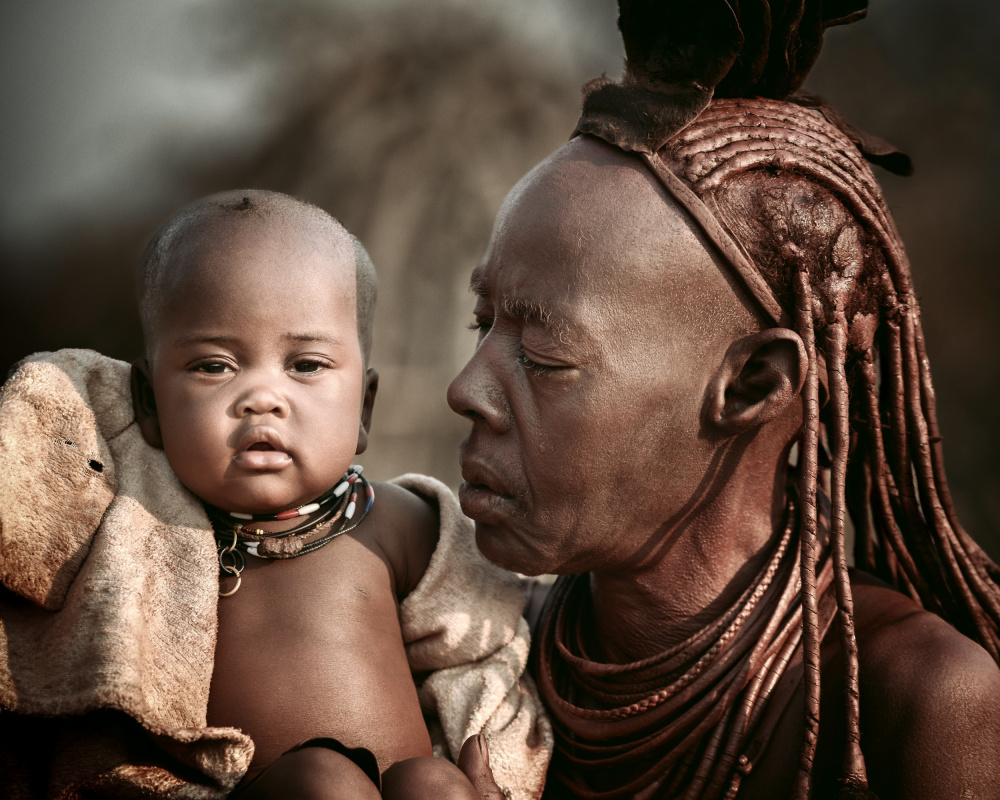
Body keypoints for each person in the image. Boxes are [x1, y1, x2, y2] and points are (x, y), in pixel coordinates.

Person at [448, 2, 1000, 799]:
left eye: (541, 355)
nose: (465, 388)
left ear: (751, 385)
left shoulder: (910, 698)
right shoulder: (484, 657)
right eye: (482, 323)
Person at [0, 190, 550, 799]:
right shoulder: (142, 530)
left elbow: (486, 644)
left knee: (436, 783)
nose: (262, 397)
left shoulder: (399, 524)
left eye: (307, 365)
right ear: (150, 403)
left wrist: (493, 750)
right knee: (324, 783)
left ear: (363, 408)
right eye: (214, 366)